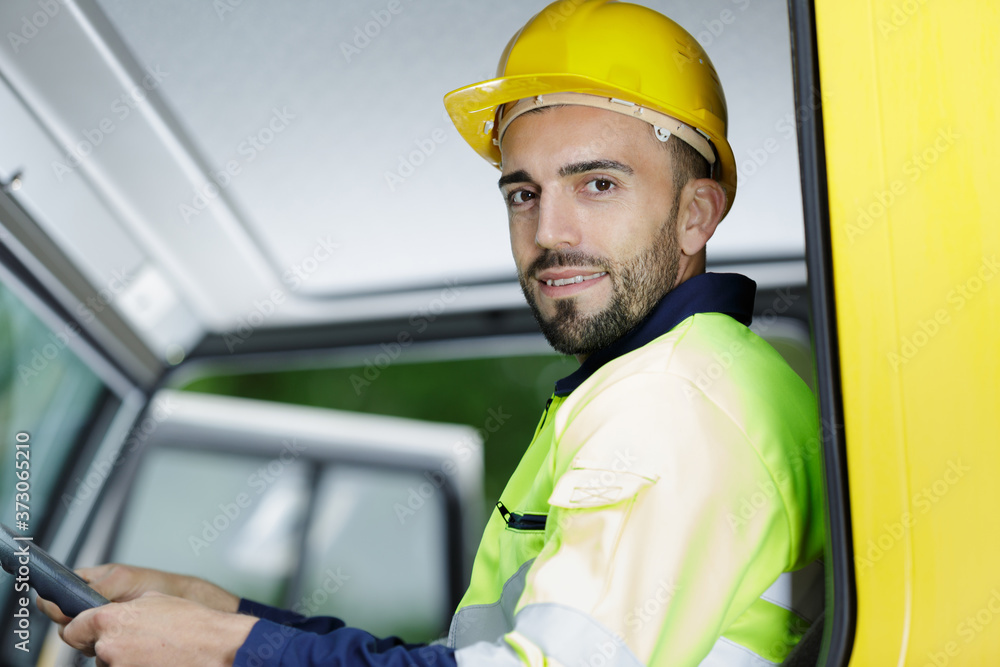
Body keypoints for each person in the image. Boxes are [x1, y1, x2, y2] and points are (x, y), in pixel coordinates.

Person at [39, 1, 825, 665]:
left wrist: (226, 649)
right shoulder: (671, 378)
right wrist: (219, 613)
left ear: (695, 215)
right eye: (523, 193)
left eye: (597, 183)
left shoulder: (670, 402)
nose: (549, 232)